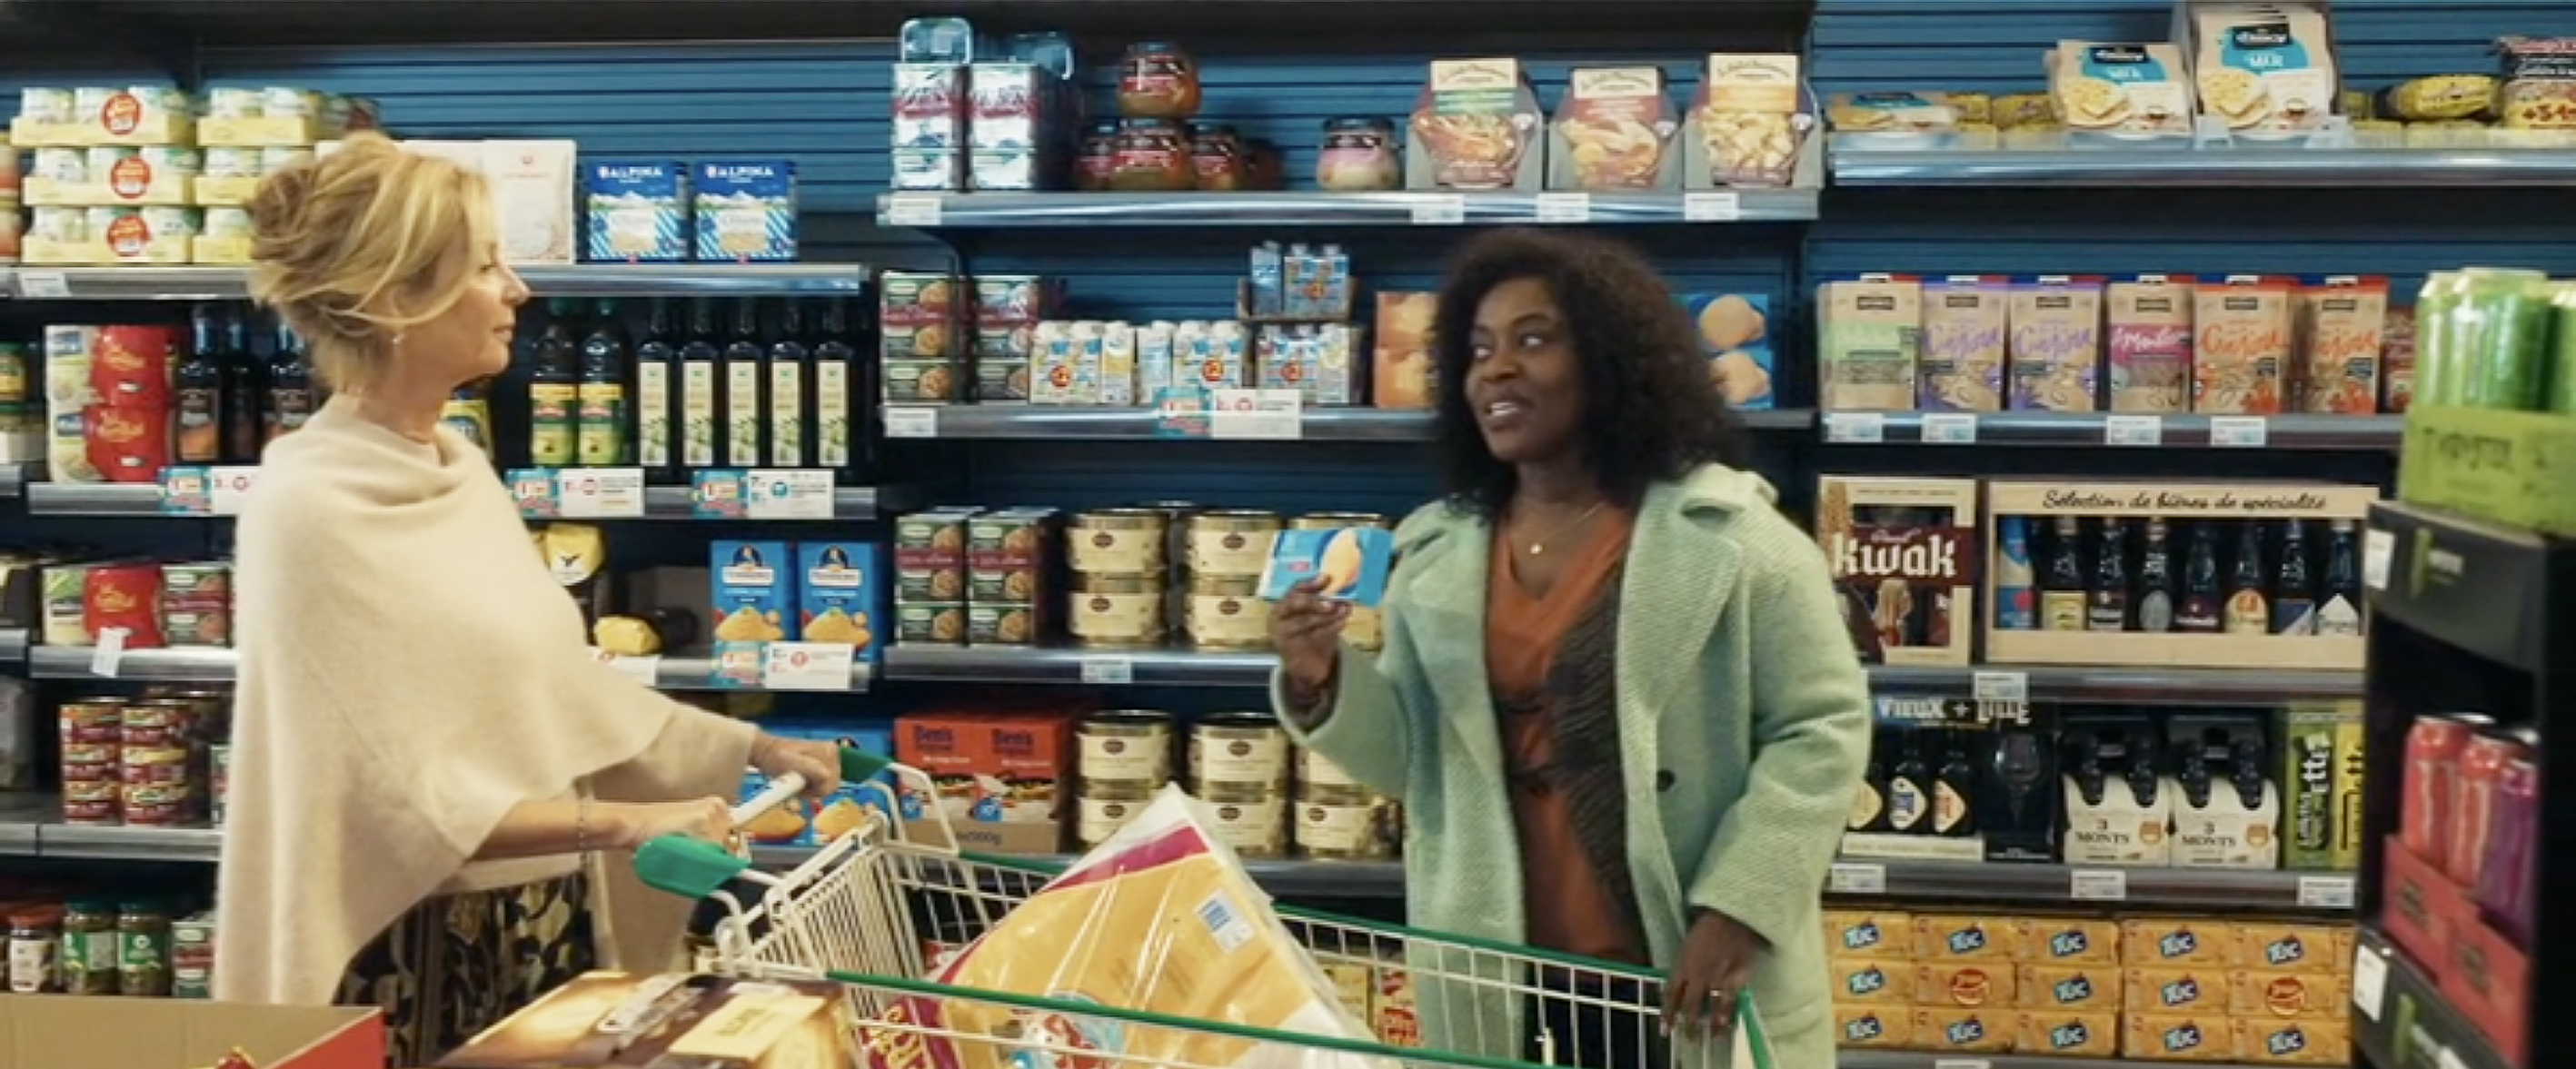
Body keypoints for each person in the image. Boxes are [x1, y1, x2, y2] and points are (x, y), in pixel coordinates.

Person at [213, 133, 846, 1064]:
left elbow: (554, 689)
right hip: (403, 951)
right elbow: (377, 799)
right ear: (397, 299)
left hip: (535, 921)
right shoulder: (308, 507)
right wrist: (631, 820)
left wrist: (752, 747)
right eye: (484, 266)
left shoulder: (456, 465)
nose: (517, 288)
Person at [1269, 229, 1869, 1068]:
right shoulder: (1435, 551)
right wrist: (1321, 675)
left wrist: (1739, 908)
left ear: (1611, 360)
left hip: (1683, 966)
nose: (1495, 370)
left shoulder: (1736, 538)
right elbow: (1416, 760)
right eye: (1478, 349)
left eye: (1532, 340)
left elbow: (1821, 731)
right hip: (1499, 968)